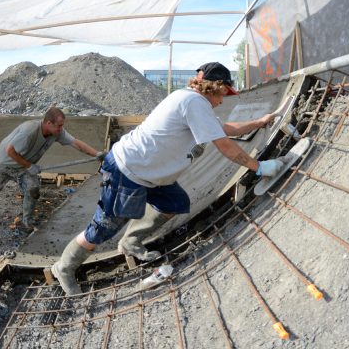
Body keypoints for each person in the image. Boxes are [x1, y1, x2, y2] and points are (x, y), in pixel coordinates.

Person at [50, 61, 285, 295]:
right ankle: (64, 267)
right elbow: (225, 146)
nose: (223, 100)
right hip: (128, 171)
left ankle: (131, 242)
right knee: (104, 227)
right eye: (223, 92)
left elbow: (226, 129)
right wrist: (259, 168)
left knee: (173, 203)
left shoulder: (192, 101)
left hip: (150, 174)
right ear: (214, 86)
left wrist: (259, 122)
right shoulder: (194, 102)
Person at [0, 107, 106, 229]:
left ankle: (26, 222)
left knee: (33, 190)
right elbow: (10, 151)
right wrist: (29, 166)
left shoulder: (56, 133)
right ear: (49, 123)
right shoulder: (29, 131)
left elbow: (75, 142)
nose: (61, 129)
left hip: (24, 166)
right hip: (6, 162)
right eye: (59, 125)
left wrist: (97, 153)